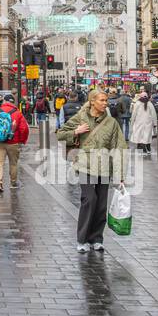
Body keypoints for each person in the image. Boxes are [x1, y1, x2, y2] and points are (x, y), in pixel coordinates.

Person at [57, 88, 128, 252]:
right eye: (102, 100)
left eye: (106, 100)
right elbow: (60, 134)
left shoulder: (111, 123)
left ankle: (96, 238)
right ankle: (82, 239)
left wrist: (120, 175)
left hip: (104, 167)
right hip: (85, 165)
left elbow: (119, 148)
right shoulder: (81, 117)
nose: (105, 103)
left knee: (101, 204)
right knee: (89, 199)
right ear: (92, 102)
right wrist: (76, 131)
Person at [0, 98, 28, 192]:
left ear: (4, 102)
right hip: (13, 142)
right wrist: (22, 140)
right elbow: (24, 128)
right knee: (13, 163)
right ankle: (13, 183)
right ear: (13, 103)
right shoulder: (18, 113)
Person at [130, 91, 157, 155]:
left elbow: (134, 114)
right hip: (148, 122)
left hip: (138, 122)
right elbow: (153, 114)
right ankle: (148, 148)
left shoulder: (137, 103)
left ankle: (143, 149)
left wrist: (132, 122)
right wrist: (155, 123)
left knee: (139, 135)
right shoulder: (149, 103)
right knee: (147, 135)